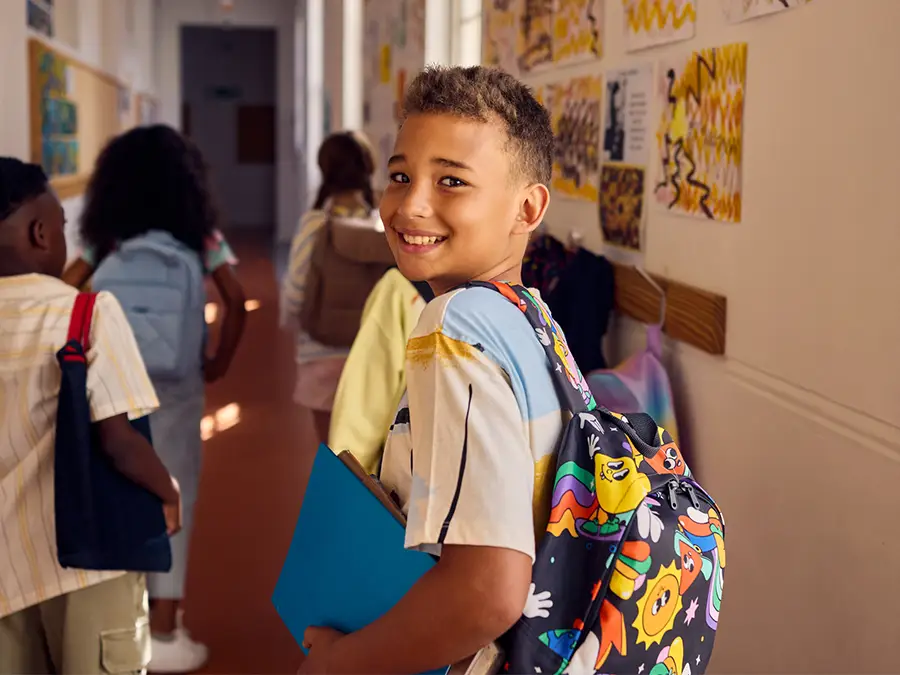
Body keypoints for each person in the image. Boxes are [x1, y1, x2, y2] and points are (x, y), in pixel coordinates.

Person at [299, 65, 577, 673]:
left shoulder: (451, 326)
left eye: (451, 181)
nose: (410, 204)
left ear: (526, 208)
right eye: (400, 175)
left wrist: (338, 664)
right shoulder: (531, 318)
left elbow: (488, 591)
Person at [62, 125, 247, 673]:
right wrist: (218, 361)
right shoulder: (199, 237)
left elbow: (70, 288)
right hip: (178, 385)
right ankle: (165, 633)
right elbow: (236, 301)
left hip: (115, 383)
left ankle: (123, 621)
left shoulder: (108, 236)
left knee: (119, 487)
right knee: (177, 497)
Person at [0, 157, 181, 674]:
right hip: (85, 563)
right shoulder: (86, 314)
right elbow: (119, 441)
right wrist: (167, 490)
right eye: (61, 226)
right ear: (40, 233)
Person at [280, 131, 381, 444]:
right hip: (370, 352)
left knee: (329, 450)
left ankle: (333, 494)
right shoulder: (380, 225)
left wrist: (290, 321)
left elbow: (296, 288)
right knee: (366, 453)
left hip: (320, 351)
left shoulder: (314, 223)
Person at [328, 268, 433, 474]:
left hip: (412, 489)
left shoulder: (403, 289)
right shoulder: (512, 298)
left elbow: (361, 413)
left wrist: (345, 486)